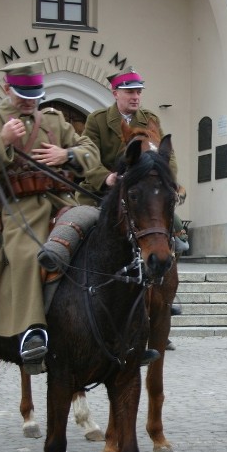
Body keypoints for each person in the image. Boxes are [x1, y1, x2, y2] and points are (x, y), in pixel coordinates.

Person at [0, 61, 107, 374]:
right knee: (26, 254)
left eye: (34, 94)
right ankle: (32, 332)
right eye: (22, 94)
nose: (29, 101)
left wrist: (67, 155)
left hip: (61, 200)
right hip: (15, 207)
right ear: (8, 89)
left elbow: (90, 149)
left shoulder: (54, 120)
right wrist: (1, 141)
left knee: (101, 239)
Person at [78, 67, 186, 349]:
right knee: (85, 230)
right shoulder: (98, 120)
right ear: (116, 94)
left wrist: (169, 181)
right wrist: (106, 177)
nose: (136, 96)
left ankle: (163, 298)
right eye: (130, 91)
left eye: (138, 91)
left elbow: (167, 154)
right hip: (107, 194)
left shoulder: (150, 119)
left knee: (168, 229)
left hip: (143, 194)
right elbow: (88, 153)